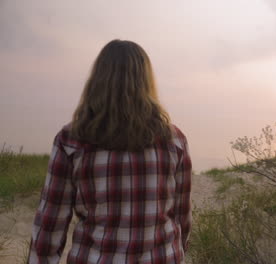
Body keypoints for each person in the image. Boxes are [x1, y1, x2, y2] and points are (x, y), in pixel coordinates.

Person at [28, 39, 192, 264]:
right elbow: (182, 219)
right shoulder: (174, 141)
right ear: (146, 83)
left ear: (97, 81)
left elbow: (49, 227)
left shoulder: (71, 141)